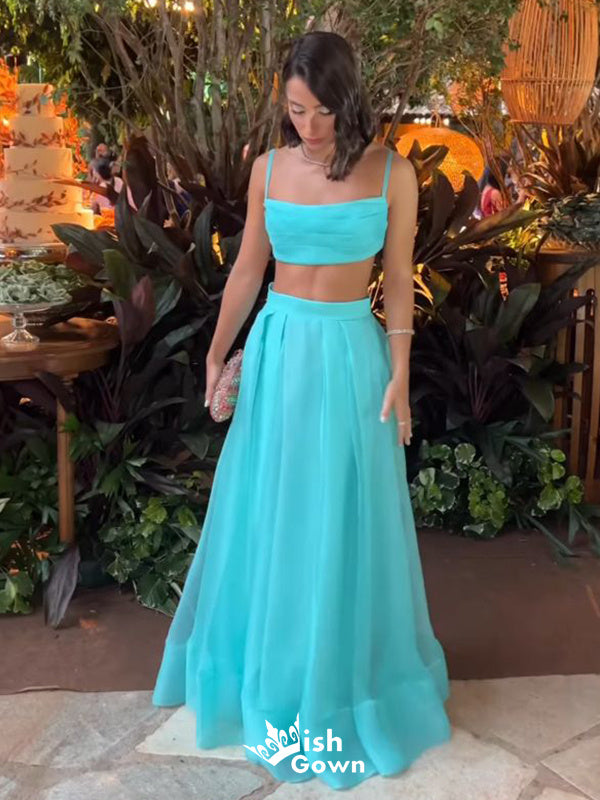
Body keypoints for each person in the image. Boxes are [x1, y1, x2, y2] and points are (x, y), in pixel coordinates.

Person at [152, 31, 452, 790]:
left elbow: (397, 278)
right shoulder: (267, 169)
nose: (308, 126)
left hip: (351, 355)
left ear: (348, 102)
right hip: (280, 350)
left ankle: (342, 675)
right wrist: (218, 350)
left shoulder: (393, 174)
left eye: (321, 111)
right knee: (273, 510)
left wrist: (400, 369)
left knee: (340, 514)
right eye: (295, 110)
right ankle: (268, 671)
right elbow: (249, 269)